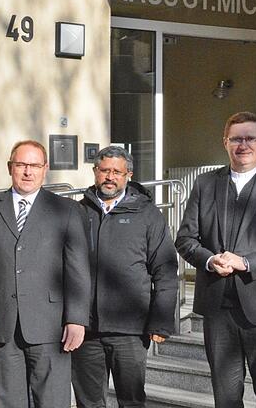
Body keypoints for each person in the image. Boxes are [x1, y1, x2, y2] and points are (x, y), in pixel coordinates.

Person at [176, 111, 256, 408]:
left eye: (250, 138)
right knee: (225, 397)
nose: (243, 145)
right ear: (225, 142)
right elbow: (185, 239)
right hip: (218, 309)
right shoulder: (205, 184)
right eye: (236, 138)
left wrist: (245, 263)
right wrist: (210, 261)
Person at [0, 140, 90, 408]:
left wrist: (77, 319)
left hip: (51, 327)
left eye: (34, 165)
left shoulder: (66, 210)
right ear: (10, 167)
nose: (27, 172)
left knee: (53, 402)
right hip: (1, 326)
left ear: (45, 169)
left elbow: (77, 270)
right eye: (21, 164)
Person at [71, 146, 178, 408]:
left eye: (117, 172)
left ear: (128, 175)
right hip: (85, 329)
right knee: (89, 402)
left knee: (131, 401)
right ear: (95, 172)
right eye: (104, 170)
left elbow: (164, 269)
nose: (110, 177)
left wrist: (161, 321)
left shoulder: (148, 215)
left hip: (130, 329)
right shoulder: (77, 212)